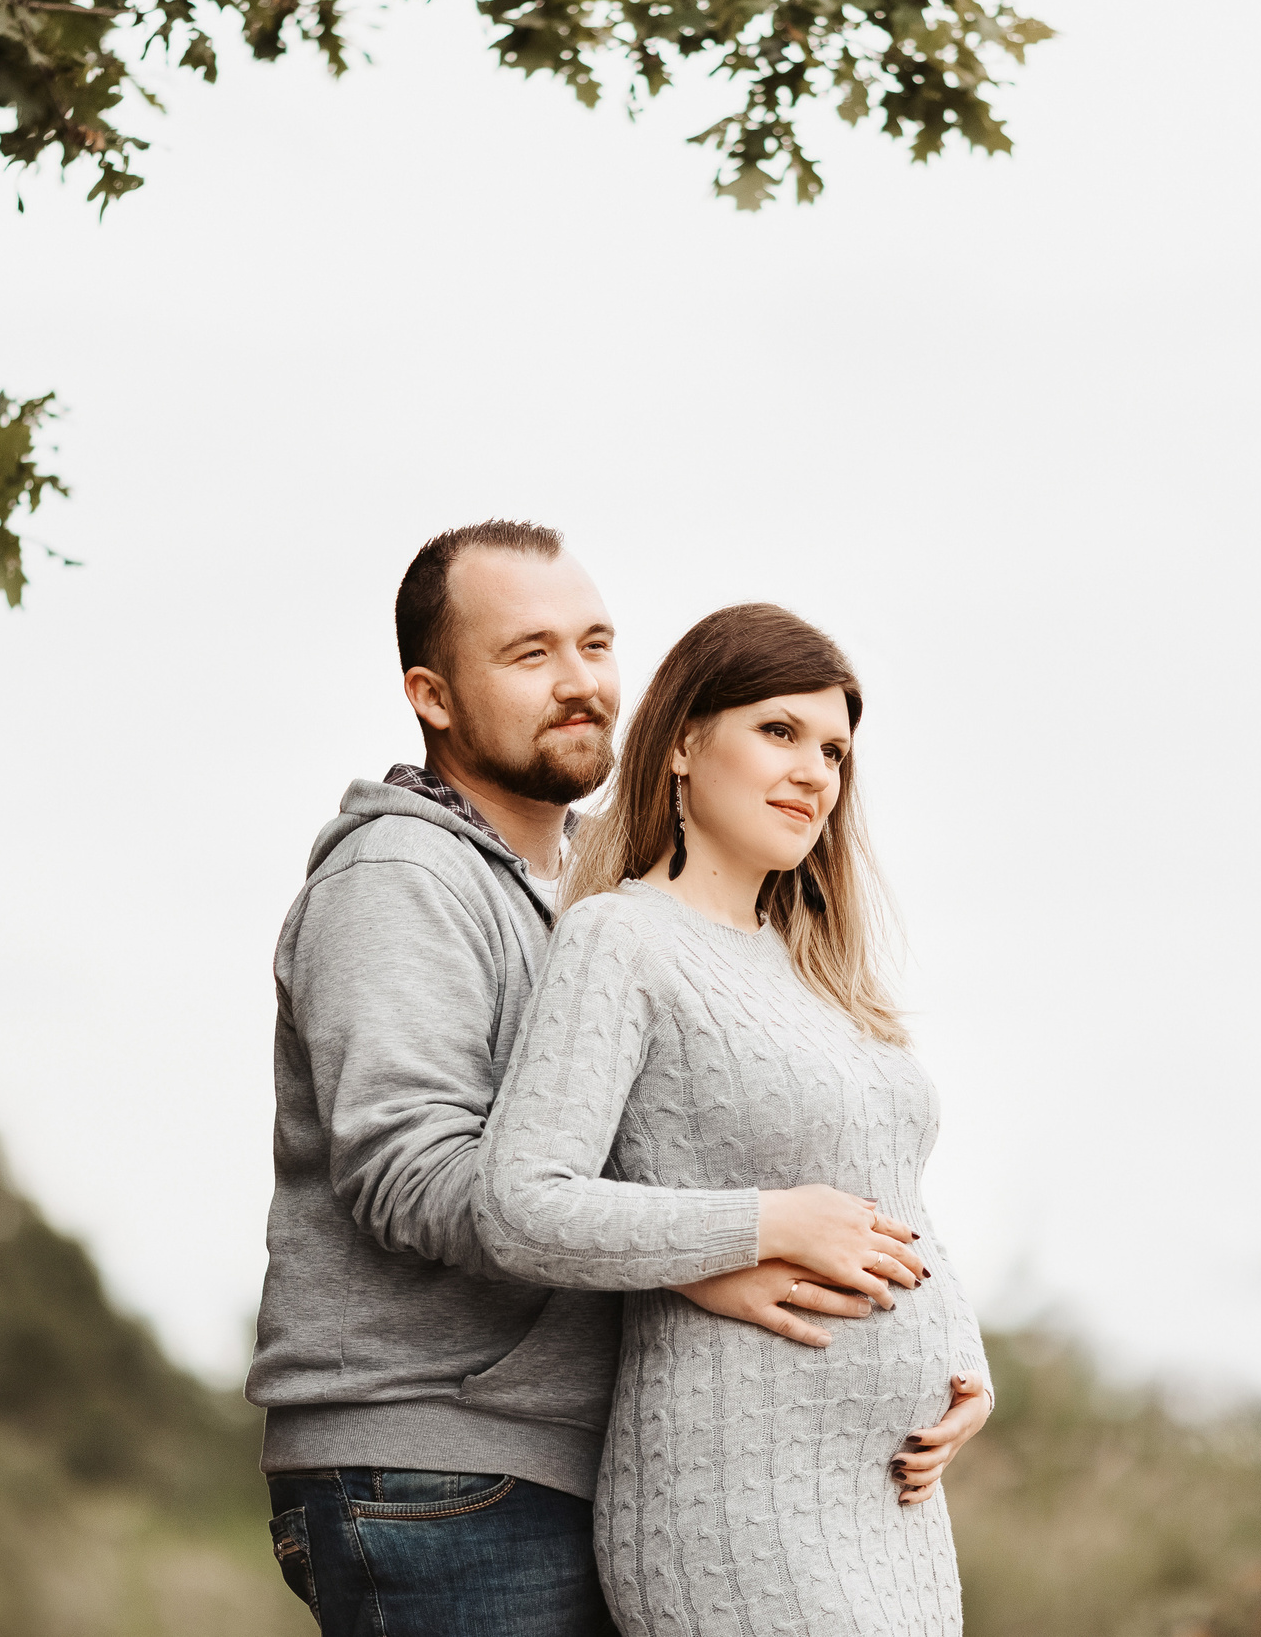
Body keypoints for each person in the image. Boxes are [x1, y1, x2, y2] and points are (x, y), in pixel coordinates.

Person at [248, 526, 880, 1637]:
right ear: (432, 696)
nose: (582, 683)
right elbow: (410, 1175)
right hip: (434, 1461)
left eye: (594, 644)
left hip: (579, 1460)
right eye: (530, 655)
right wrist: (704, 1255)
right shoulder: (399, 878)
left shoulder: (607, 892)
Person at [472, 602, 995, 1637]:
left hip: (891, 1501)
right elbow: (520, 1204)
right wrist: (762, 1225)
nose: (814, 773)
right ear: (679, 745)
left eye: (835, 750)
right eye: (778, 732)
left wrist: (963, 1358)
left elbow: (894, 1189)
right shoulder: (620, 940)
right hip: (739, 1493)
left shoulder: (819, 972)